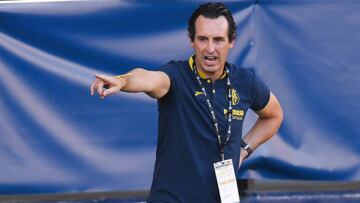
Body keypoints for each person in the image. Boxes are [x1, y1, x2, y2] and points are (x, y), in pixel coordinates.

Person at [90, 2, 283, 203]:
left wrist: (244, 150)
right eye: (202, 39)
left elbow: (274, 115)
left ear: (231, 41)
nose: (210, 49)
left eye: (218, 40)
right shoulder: (176, 75)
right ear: (191, 41)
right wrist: (123, 81)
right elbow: (148, 78)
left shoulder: (244, 81)